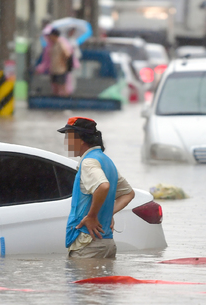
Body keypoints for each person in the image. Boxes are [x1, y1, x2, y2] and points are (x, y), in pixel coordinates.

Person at [57, 117, 135, 259]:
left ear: (80, 139)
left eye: (68, 138)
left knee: (83, 281)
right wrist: (107, 213)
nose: (66, 143)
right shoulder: (106, 161)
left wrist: (92, 216)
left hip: (88, 244)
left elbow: (103, 186)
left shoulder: (88, 162)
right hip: (107, 243)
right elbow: (128, 194)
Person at [36, 28, 74, 97]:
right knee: (55, 87)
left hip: (60, 69)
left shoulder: (61, 44)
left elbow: (67, 54)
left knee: (62, 86)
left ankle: (65, 101)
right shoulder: (52, 45)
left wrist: (64, 63)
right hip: (53, 69)